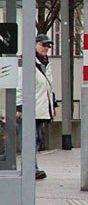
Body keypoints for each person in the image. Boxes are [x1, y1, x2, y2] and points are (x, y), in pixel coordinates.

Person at [16, 33, 55, 180]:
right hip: (28, 109)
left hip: (40, 108)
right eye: (43, 45)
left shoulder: (45, 64)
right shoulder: (27, 62)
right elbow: (20, 86)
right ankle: (30, 168)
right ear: (35, 45)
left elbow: (48, 87)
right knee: (30, 139)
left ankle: (33, 167)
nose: (46, 48)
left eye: (48, 46)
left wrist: (53, 105)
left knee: (37, 138)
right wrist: (19, 108)